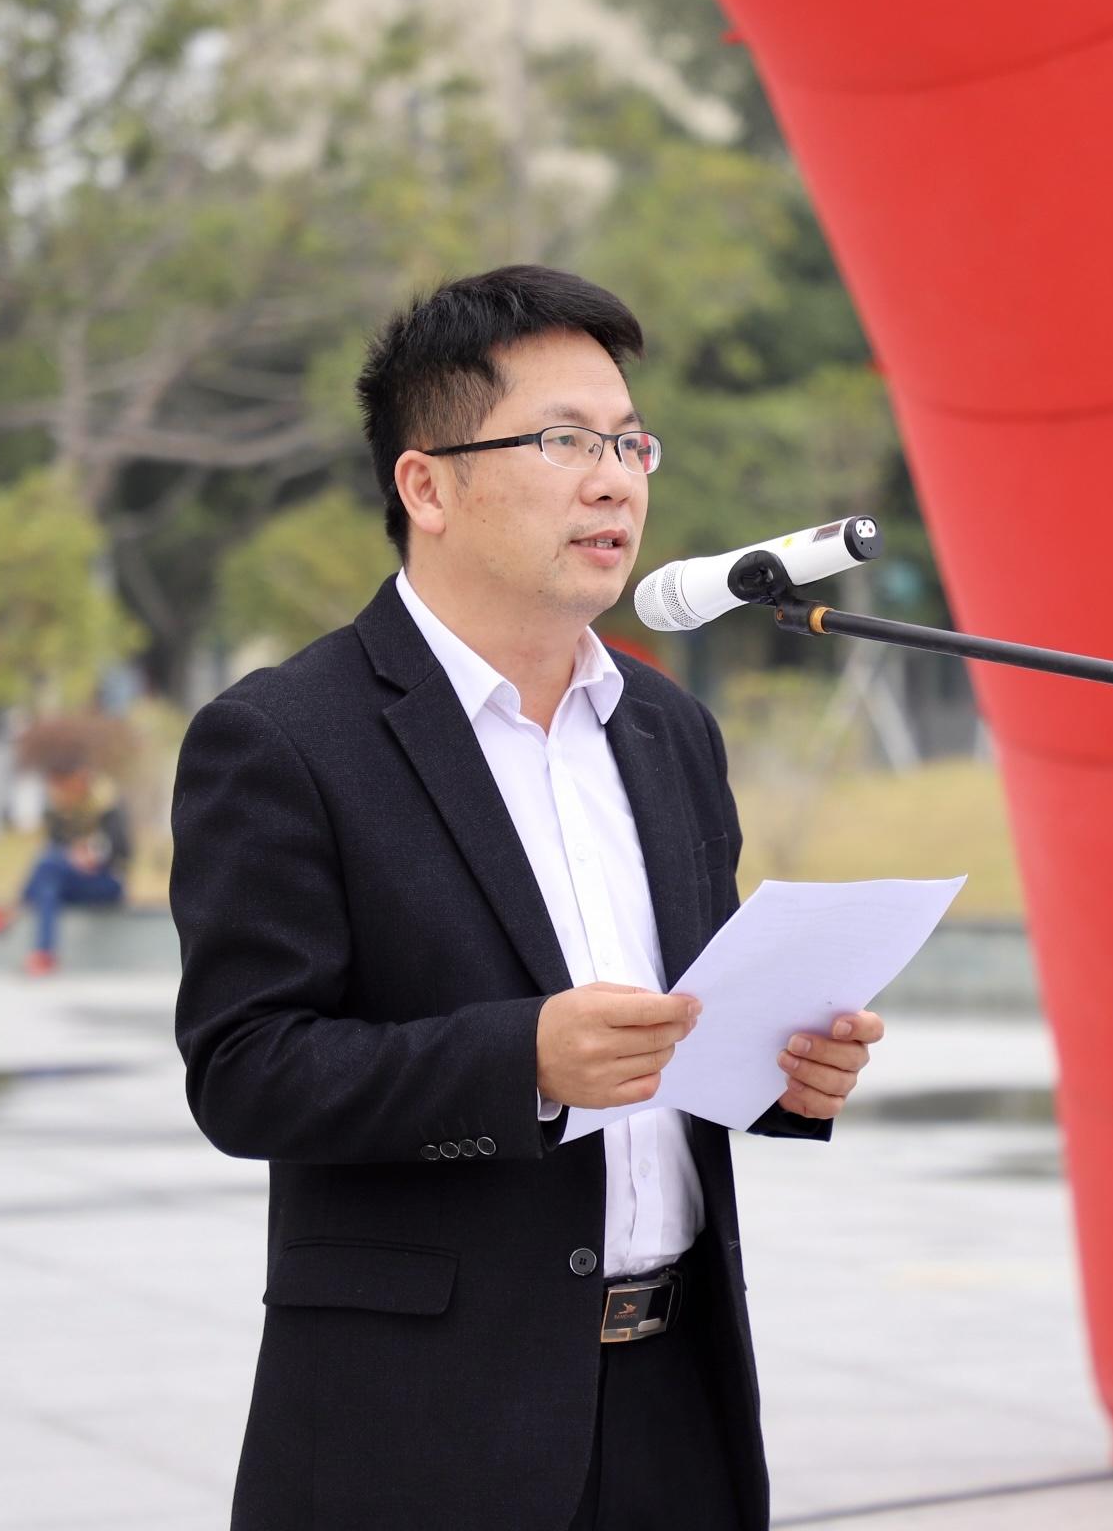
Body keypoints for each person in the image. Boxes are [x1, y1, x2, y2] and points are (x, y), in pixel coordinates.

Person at [169, 265, 888, 1530]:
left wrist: (784, 1073)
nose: (615, 478)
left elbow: (684, 1032)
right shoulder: (285, 738)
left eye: (628, 440)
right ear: (426, 485)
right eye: (563, 440)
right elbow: (245, 1069)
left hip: (680, 1395)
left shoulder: (667, 728)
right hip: (425, 1424)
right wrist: (526, 1061)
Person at [0, 756, 130, 976]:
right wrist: (73, 856)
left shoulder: (106, 803)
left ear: (81, 778)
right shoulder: (61, 808)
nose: (60, 790)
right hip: (70, 881)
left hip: (107, 882)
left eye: (63, 782)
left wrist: (93, 855)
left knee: (48, 864)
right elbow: (57, 846)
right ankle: (43, 955)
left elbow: (121, 849)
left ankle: (13, 912)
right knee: (48, 883)